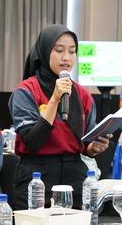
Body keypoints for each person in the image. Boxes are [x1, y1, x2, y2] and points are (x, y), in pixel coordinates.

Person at [8, 24, 110, 210]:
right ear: (45, 51)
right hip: (37, 176)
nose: (66, 57)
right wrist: (55, 99)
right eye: (59, 50)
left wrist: (93, 148)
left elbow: (85, 143)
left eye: (72, 51)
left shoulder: (83, 95)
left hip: (75, 174)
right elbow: (32, 142)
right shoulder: (26, 91)